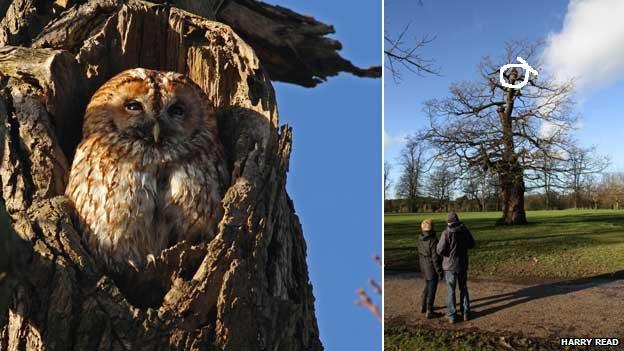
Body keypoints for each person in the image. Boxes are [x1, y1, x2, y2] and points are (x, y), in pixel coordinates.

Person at [436, 211, 475, 323]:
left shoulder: (446, 233)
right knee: (463, 289)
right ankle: (466, 313)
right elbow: (472, 244)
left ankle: (452, 315)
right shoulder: (465, 231)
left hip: (450, 266)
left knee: (450, 291)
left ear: (448, 222)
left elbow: (439, 250)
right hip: (462, 264)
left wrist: (448, 252)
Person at [418, 219, 443, 319]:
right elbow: (435, 258)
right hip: (431, 268)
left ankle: (423, 306)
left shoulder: (420, 238)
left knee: (427, 286)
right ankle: (430, 310)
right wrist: (439, 271)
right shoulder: (433, 240)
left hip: (423, 267)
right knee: (432, 289)